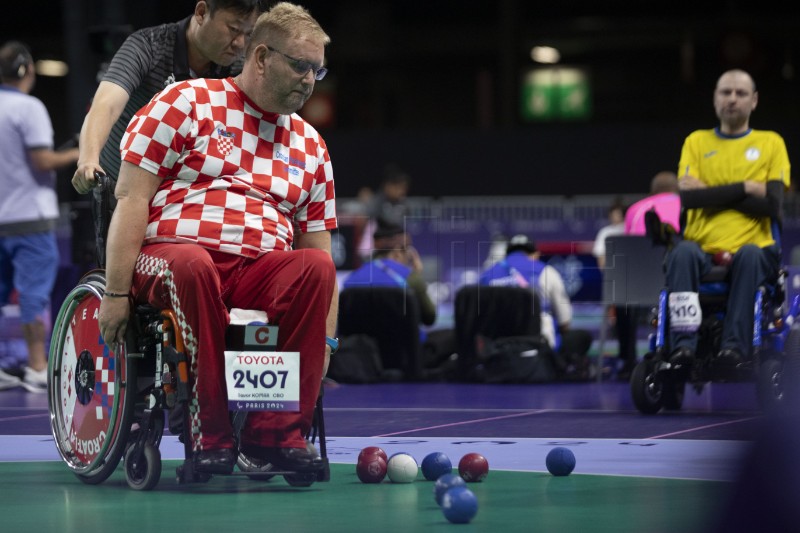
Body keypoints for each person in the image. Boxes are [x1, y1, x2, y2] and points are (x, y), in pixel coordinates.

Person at [96, 2, 337, 475]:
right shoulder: (185, 102)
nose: (310, 80)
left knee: (316, 268)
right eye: (300, 65)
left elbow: (318, 250)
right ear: (262, 57)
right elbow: (130, 198)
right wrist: (116, 291)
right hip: (169, 259)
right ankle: (210, 434)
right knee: (193, 265)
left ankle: (275, 436)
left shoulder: (312, 146)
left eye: (318, 70)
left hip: (257, 272)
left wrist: (326, 342)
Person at [71, 0, 264, 266]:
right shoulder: (147, 45)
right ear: (201, 13)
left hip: (187, 195)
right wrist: (88, 159)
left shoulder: (238, 67)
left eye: (248, 33)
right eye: (233, 29)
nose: (240, 44)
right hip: (123, 191)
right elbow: (105, 104)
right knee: (124, 285)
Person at [666, 69, 790, 370]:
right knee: (681, 252)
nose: (732, 99)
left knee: (749, 254)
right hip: (701, 250)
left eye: (741, 93)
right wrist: (746, 188)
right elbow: (689, 200)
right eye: (725, 92)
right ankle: (683, 350)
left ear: (754, 100)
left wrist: (709, 193)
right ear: (715, 98)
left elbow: (772, 206)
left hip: (753, 248)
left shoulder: (771, 143)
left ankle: (733, 350)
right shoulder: (695, 142)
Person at [0, 41, 80, 392]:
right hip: (30, 218)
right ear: (26, 70)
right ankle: (36, 367)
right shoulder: (28, 107)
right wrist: (83, 151)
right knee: (33, 294)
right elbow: (42, 161)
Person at [479, 234, 593, 377]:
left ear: (507, 254)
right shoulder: (545, 271)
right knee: (581, 337)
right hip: (537, 349)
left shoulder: (487, 275)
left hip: (495, 349)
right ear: (535, 254)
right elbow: (565, 322)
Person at [613, 171, 681, 379]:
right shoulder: (683, 204)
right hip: (672, 280)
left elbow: (631, 248)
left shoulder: (634, 209)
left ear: (652, 191)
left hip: (635, 286)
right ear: (676, 189)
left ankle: (627, 360)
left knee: (622, 296)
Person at [343, 224, 437, 327]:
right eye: (408, 249)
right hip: (401, 342)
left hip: (360, 342)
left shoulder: (351, 279)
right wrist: (417, 279)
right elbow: (429, 318)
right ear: (397, 252)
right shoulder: (410, 278)